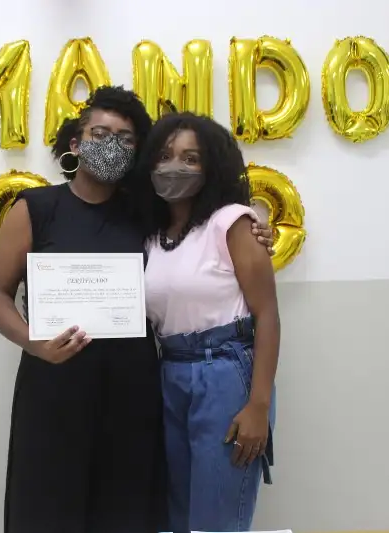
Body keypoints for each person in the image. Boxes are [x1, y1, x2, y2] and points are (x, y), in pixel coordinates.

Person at [0, 87, 274, 533]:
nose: (111, 145)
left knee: (128, 511)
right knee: (46, 507)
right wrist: (32, 342)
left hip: (133, 392)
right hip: (54, 387)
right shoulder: (36, 209)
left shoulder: (146, 213)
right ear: (75, 142)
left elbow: (207, 211)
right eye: (100, 134)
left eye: (125, 138)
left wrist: (256, 216)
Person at [137, 112, 281, 533]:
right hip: (170, 372)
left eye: (191, 158)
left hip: (225, 371)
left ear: (212, 166)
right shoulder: (152, 236)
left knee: (216, 518)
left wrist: (259, 405)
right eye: (165, 155)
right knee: (176, 513)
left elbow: (268, 315)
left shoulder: (231, 222)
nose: (174, 167)